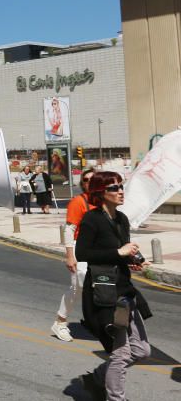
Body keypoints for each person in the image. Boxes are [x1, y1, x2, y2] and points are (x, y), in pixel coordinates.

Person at [75, 171, 153, 401]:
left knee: (142, 350)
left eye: (121, 186)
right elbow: (83, 253)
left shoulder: (121, 219)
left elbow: (120, 253)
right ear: (101, 193)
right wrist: (119, 252)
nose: (120, 191)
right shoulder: (92, 219)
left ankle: (97, 378)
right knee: (121, 353)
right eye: (114, 188)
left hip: (125, 290)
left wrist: (132, 259)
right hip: (105, 292)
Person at [51, 169, 95, 342]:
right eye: (86, 180)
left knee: (103, 285)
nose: (89, 182)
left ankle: (99, 322)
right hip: (80, 247)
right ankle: (60, 322)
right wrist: (70, 256)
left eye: (93, 179)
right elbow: (69, 230)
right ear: (82, 183)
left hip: (99, 249)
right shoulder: (79, 201)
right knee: (78, 286)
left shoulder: (103, 201)